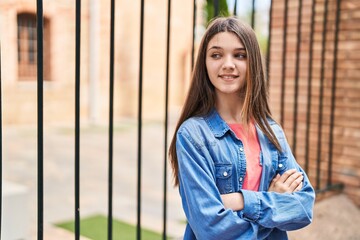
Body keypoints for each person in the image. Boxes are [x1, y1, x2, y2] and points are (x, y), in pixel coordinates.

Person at [168, 17, 315, 240]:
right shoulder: (193, 135)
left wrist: (240, 200)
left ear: (252, 62)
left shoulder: (272, 133)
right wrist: (272, 200)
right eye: (216, 55)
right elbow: (211, 229)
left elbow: (303, 207)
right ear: (204, 63)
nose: (228, 64)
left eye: (240, 55)